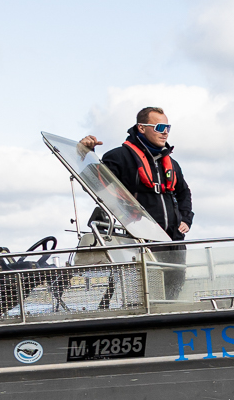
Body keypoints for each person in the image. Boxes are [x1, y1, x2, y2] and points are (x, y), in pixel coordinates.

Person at [81, 107, 193, 299]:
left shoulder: (171, 164)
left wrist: (186, 219)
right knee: (144, 297)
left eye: (168, 127)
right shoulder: (118, 157)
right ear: (142, 128)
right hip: (140, 242)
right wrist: (85, 153)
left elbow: (184, 193)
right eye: (159, 127)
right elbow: (92, 183)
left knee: (174, 296)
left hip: (173, 243)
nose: (165, 131)